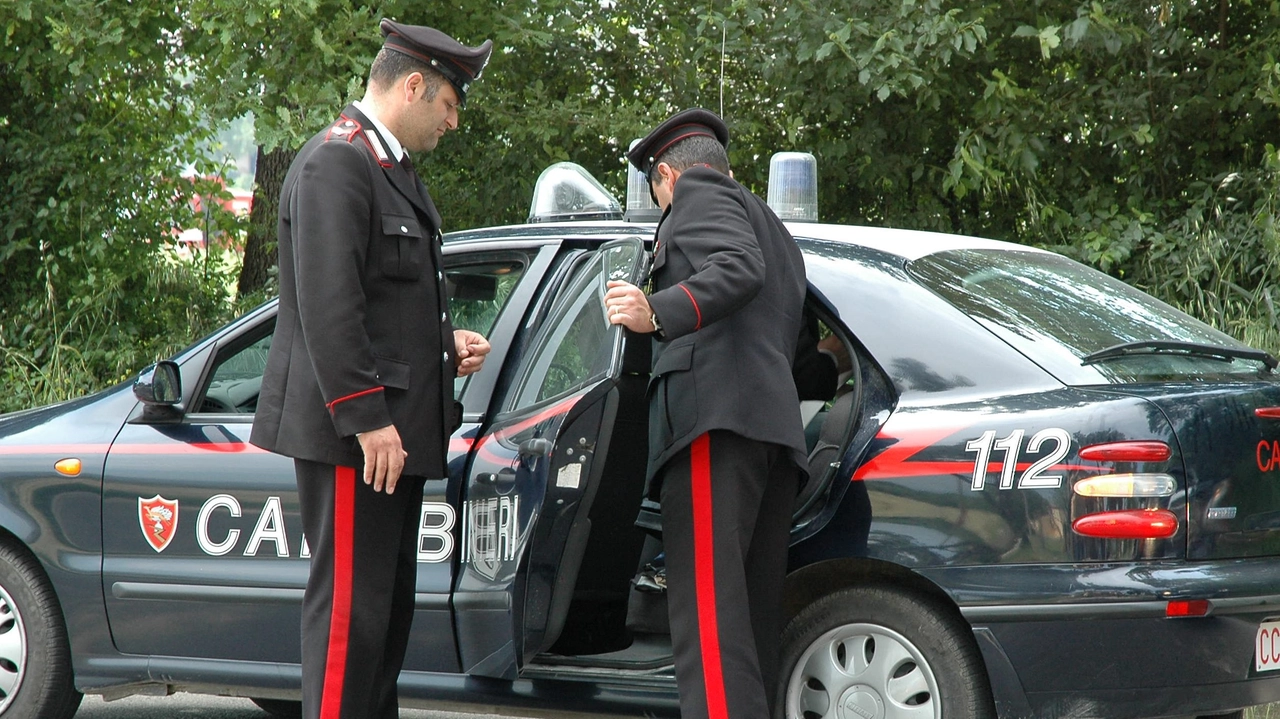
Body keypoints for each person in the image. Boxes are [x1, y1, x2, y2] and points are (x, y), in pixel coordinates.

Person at [250, 19, 492, 719]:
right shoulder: (338, 162)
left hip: (388, 438)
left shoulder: (387, 169)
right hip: (358, 440)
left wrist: (444, 349)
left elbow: (380, 305)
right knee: (349, 622)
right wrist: (367, 418)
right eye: (448, 104)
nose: (452, 122)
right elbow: (329, 306)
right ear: (413, 85)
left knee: (382, 622)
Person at [604, 108, 810, 719]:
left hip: (713, 431)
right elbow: (793, 345)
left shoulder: (698, 194)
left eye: (657, 197)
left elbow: (736, 271)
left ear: (667, 174)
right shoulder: (774, 227)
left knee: (709, 626)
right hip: (769, 435)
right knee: (745, 622)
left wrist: (656, 310)